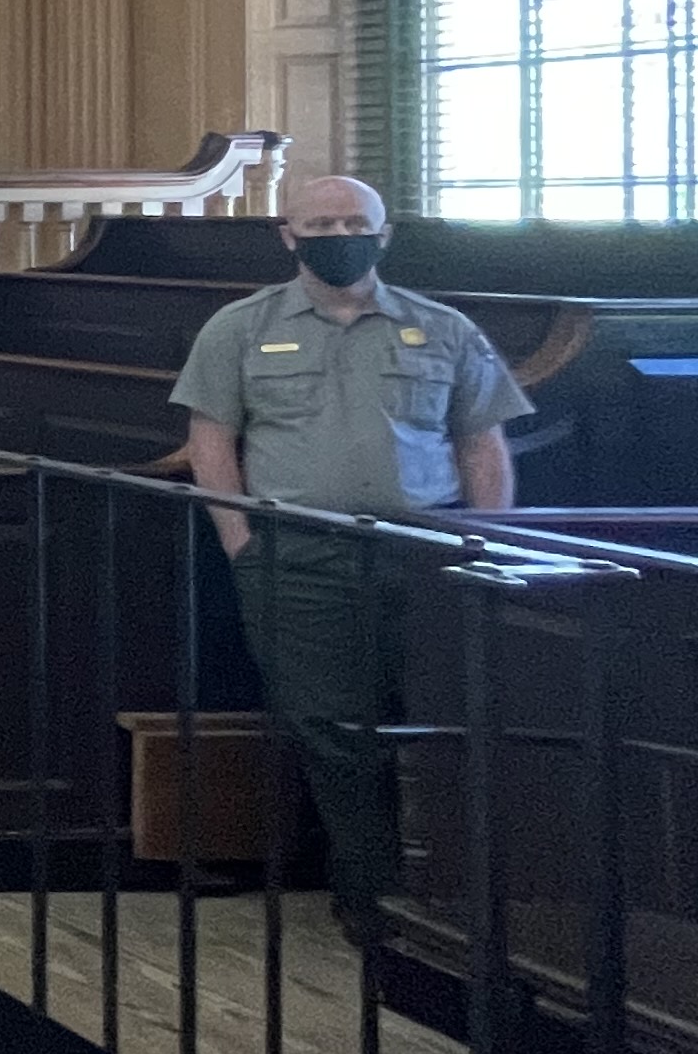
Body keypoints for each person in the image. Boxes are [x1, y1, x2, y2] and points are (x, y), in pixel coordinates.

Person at [168, 174, 529, 932]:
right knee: (332, 729)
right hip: (299, 558)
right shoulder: (238, 327)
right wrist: (242, 544)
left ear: (383, 233)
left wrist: (486, 543)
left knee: (444, 723)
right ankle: (371, 898)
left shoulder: (443, 328)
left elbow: (482, 444)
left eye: (354, 223)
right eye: (321, 224)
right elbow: (211, 443)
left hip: (427, 553)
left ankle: (449, 903)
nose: (340, 236)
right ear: (289, 236)